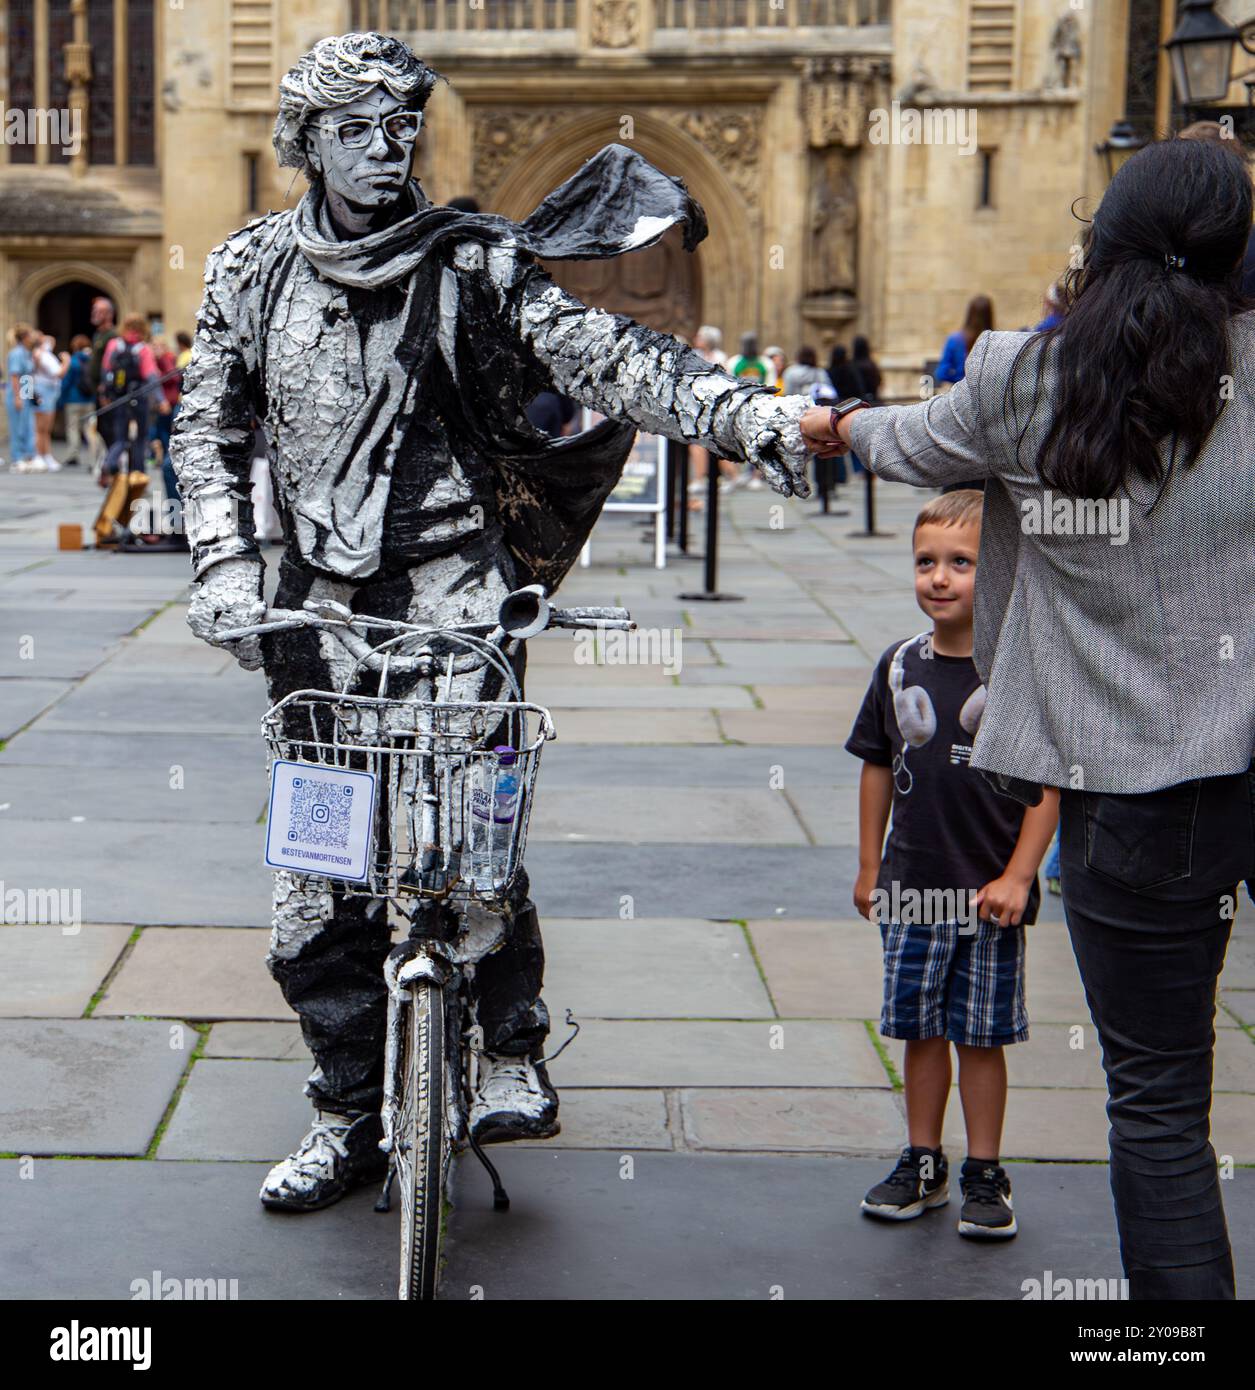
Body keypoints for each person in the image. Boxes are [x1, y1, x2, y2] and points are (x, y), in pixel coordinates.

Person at [172, 31, 813, 1214]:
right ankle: (343, 1114)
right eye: (354, 129)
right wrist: (219, 560)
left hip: (458, 590)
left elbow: (607, 355)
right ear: (304, 142)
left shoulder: (472, 261)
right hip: (314, 611)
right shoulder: (248, 272)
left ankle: (510, 1042)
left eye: (399, 126)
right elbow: (207, 426)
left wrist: (745, 416)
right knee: (317, 887)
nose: (383, 148)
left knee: (471, 848)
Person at [801, 136, 1255, 1300]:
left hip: (1132, 795)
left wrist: (834, 426)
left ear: (1098, 237)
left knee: (1157, 1102)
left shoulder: (1027, 377)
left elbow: (905, 443)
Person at [848, 490, 1058, 1237]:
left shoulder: (1016, 673)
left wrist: (1019, 876)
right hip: (910, 888)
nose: (938, 578)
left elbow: (1045, 788)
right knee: (918, 1028)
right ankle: (920, 1159)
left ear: (996, 572)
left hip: (986, 895)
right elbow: (876, 765)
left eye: (960, 564)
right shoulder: (898, 666)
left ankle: (984, 1169)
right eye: (925, 562)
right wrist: (869, 865)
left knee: (979, 1035)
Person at [100, 314, 161, 474]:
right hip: (139, 398)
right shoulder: (143, 349)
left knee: (120, 437)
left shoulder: (114, 345)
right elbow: (151, 376)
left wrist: (105, 394)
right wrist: (161, 400)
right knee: (140, 438)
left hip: (118, 398)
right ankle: (137, 474)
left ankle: (110, 462)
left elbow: (105, 371)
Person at [935, 295, 994, 384]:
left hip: (959, 394)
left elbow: (941, 373)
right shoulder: (995, 341)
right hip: (987, 394)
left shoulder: (954, 340)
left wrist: (959, 379)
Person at [84, 296, 118, 447]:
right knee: (101, 428)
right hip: (96, 390)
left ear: (109, 314)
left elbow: (112, 365)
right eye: (94, 311)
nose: (94, 314)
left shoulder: (112, 336)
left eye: (99, 311)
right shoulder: (98, 335)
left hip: (106, 391)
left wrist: (105, 387)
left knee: (109, 428)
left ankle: (114, 465)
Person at [59, 334, 95, 469]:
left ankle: (73, 454)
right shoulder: (92, 360)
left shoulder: (73, 361)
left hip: (73, 400)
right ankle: (93, 457)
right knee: (89, 429)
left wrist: (61, 399)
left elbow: (66, 382)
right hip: (89, 400)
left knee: (73, 428)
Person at [5, 324, 37, 470]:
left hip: (26, 392)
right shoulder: (17, 353)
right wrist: (18, 397)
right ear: (24, 337)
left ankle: (27, 455)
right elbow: (15, 376)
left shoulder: (27, 353)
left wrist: (31, 396)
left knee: (27, 426)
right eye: (30, 335)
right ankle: (17, 458)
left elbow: (28, 376)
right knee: (18, 427)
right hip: (18, 394)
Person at [31, 332, 64, 471]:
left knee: (45, 428)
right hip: (40, 390)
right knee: (39, 427)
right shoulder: (36, 353)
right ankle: (36, 455)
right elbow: (57, 373)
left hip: (47, 391)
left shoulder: (45, 354)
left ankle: (45, 455)